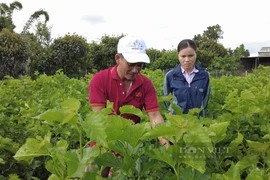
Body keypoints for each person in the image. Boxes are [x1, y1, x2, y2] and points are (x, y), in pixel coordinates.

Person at [87, 35, 170, 177]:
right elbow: (100, 117)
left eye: (139, 64)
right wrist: (113, 153)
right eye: (131, 64)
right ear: (118, 58)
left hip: (128, 146)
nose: (135, 69)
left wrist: (166, 145)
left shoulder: (145, 84)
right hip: (102, 144)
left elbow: (155, 116)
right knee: (90, 174)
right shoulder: (100, 80)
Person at [163, 39, 210, 117]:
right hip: (178, 121)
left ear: (196, 54)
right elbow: (166, 99)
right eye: (183, 56)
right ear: (178, 55)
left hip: (197, 120)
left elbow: (205, 99)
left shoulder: (204, 75)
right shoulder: (171, 75)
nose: (187, 60)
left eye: (191, 55)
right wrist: (173, 111)